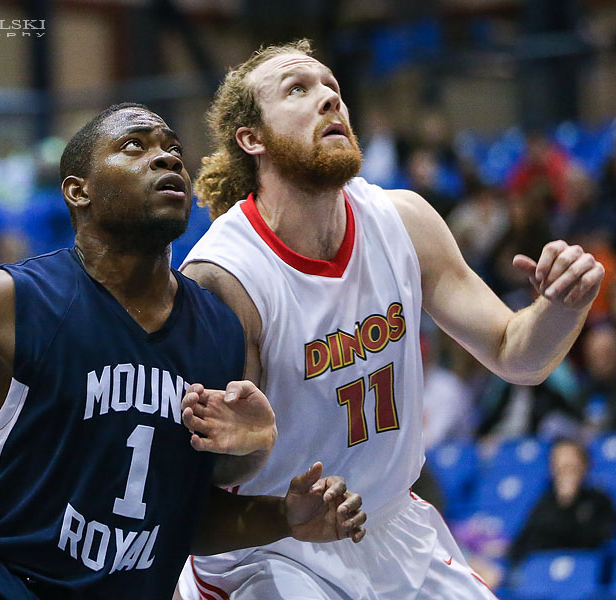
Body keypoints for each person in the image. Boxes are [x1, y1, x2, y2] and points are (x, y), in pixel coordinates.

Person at [0, 103, 367, 600]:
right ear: (78, 191)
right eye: (135, 147)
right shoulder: (4, 300)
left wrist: (282, 514)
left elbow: (172, 519)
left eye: (172, 148)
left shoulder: (218, 327)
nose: (166, 158)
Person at [176, 39, 605, 600]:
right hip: (274, 543)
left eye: (332, 86)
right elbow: (210, 486)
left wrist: (561, 309)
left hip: (393, 523)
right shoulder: (225, 275)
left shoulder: (403, 220)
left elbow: (515, 354)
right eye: (297, 90)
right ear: (251, 139)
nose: (329, 98)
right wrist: (250, 442)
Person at [508, 438, 615, 565]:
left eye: (571, 464)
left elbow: (596, 542)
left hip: (578, 569)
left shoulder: (599, 500)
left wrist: (569, 503)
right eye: (559, 463)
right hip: (539, 571)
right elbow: (523, 543)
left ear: (584, 465)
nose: (565, 469)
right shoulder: (545, 502)